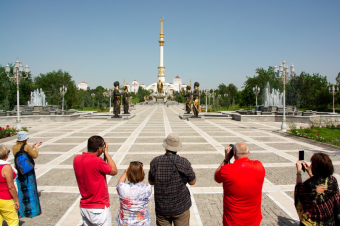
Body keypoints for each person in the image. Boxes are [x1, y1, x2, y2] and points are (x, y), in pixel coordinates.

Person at [149, 133, 196, 226]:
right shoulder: (183, 162)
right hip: (181, 206)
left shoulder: (155, 162)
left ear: (166, 146)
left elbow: (151, 182)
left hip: (162, 207)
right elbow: (192, 181)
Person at [214, 142, 265, 226]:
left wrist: (226, 159)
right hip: (253, 220)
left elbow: (217, 177)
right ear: (249, 152)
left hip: (232, 221)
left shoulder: (226, 170)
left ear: (233, 153)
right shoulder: (259, 166)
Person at [73, 135, 118, 226]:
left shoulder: (76, 159)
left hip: (85, 207)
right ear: (99, 149)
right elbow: (114, 171)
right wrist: (106, 153)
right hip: (99, 208)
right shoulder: (97, 161)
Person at [295, 152, 340, 225]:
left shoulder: (307, 185)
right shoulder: (332, 180)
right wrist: (310, 172)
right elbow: (318, 184)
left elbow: (298, 192)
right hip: (329, 221)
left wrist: (299, 171)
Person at [12, 131, 42, 218]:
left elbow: (22, 155)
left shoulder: (14, 147)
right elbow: (35, 155)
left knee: (21, 190)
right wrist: (36, 147)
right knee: (30, 189)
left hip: (19, 170)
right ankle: (32, 210)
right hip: (28, 171)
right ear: (25, 138)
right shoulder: (26, 146)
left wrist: (31, 148)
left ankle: (22, 211)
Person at [116, 161, 152, 226]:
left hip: (125, 223)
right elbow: (143, 183)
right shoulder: (147, 188)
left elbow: (119, 183)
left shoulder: (122, 188)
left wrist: (126, 171)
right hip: (142, 223)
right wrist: (138, 173)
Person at [0, 145, 19, 226]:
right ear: (6, 155)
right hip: (5, 197)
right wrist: (17, 200)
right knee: (13, 221)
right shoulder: (6, 167)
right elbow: (11, 187)